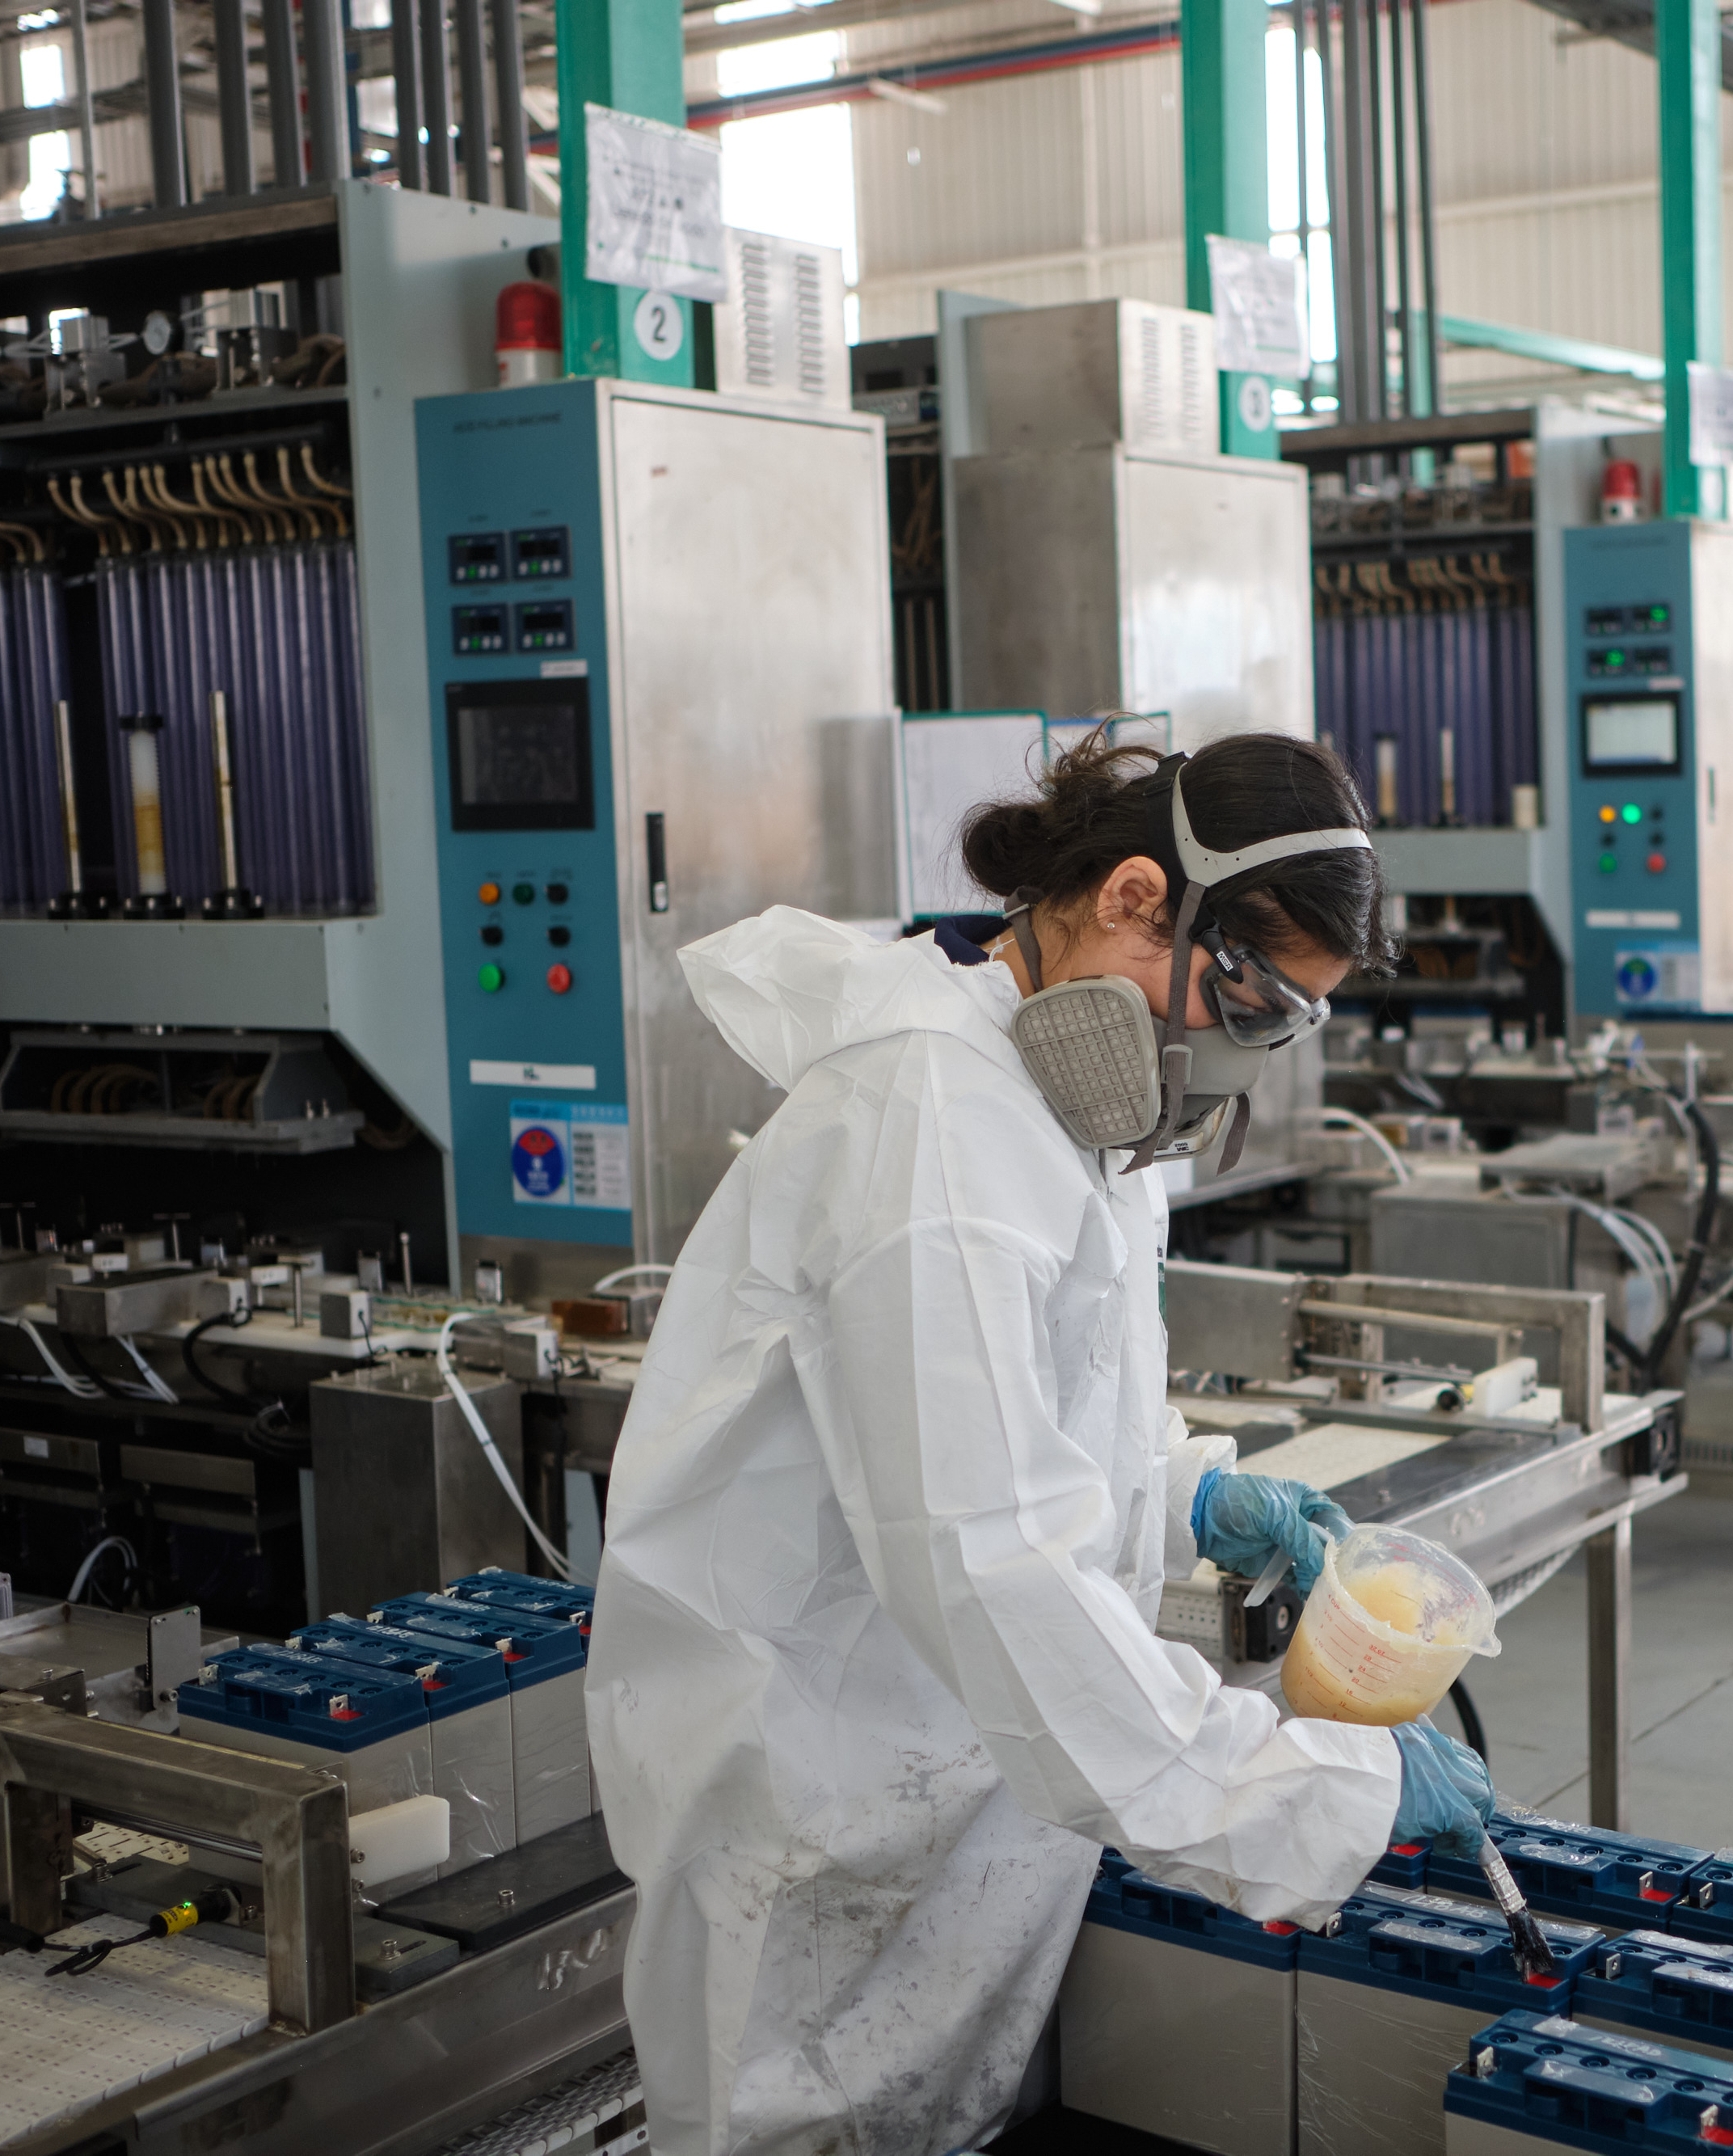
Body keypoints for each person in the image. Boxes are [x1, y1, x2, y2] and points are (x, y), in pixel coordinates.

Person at [585, 733, 1503, 2156]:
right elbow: (988, 1559)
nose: (1231, 1052)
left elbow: (1034, 1413)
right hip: (833, 1833)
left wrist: (1187, 1488)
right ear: (1139, 894)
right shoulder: (932, 1124)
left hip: (954, 1805)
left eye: (1283, 1023)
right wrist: (1315, 1793)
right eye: (1247, 992)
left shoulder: (1038, 1092)